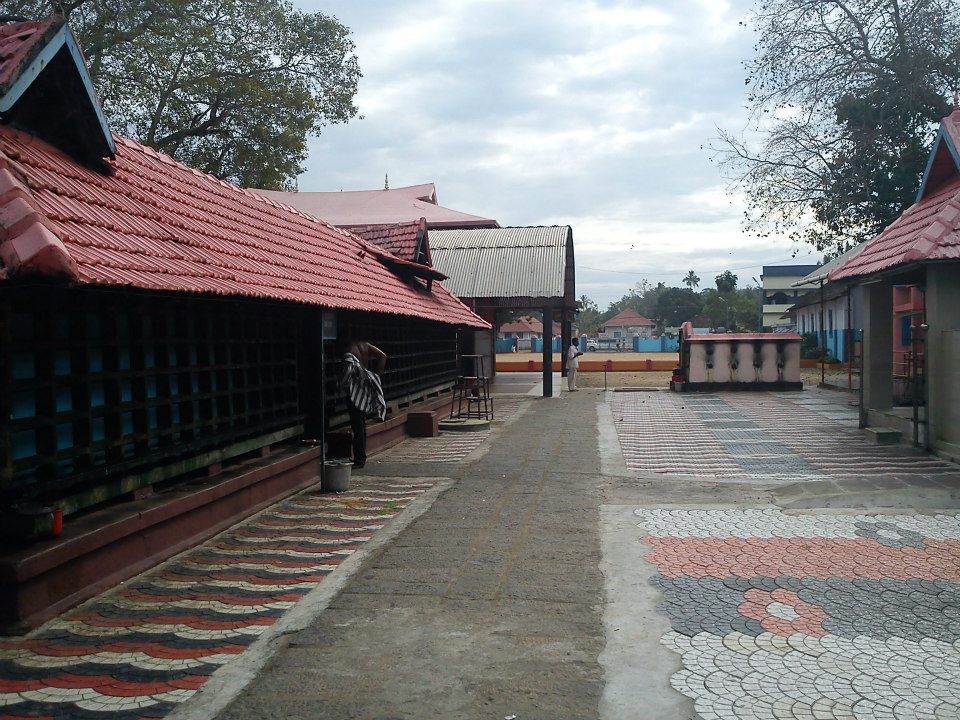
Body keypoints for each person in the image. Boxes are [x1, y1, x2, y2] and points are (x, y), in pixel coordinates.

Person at [339, 336, 387, 468]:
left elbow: (347, 373)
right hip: (365, 387)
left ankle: (359, 459)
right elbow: (383, 356)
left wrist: (342, 385)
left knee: (357, 424)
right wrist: (375, 377)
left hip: (355, 389)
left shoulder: (349, 348)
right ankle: (361, 456)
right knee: (361, 422)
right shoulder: (365, 345)